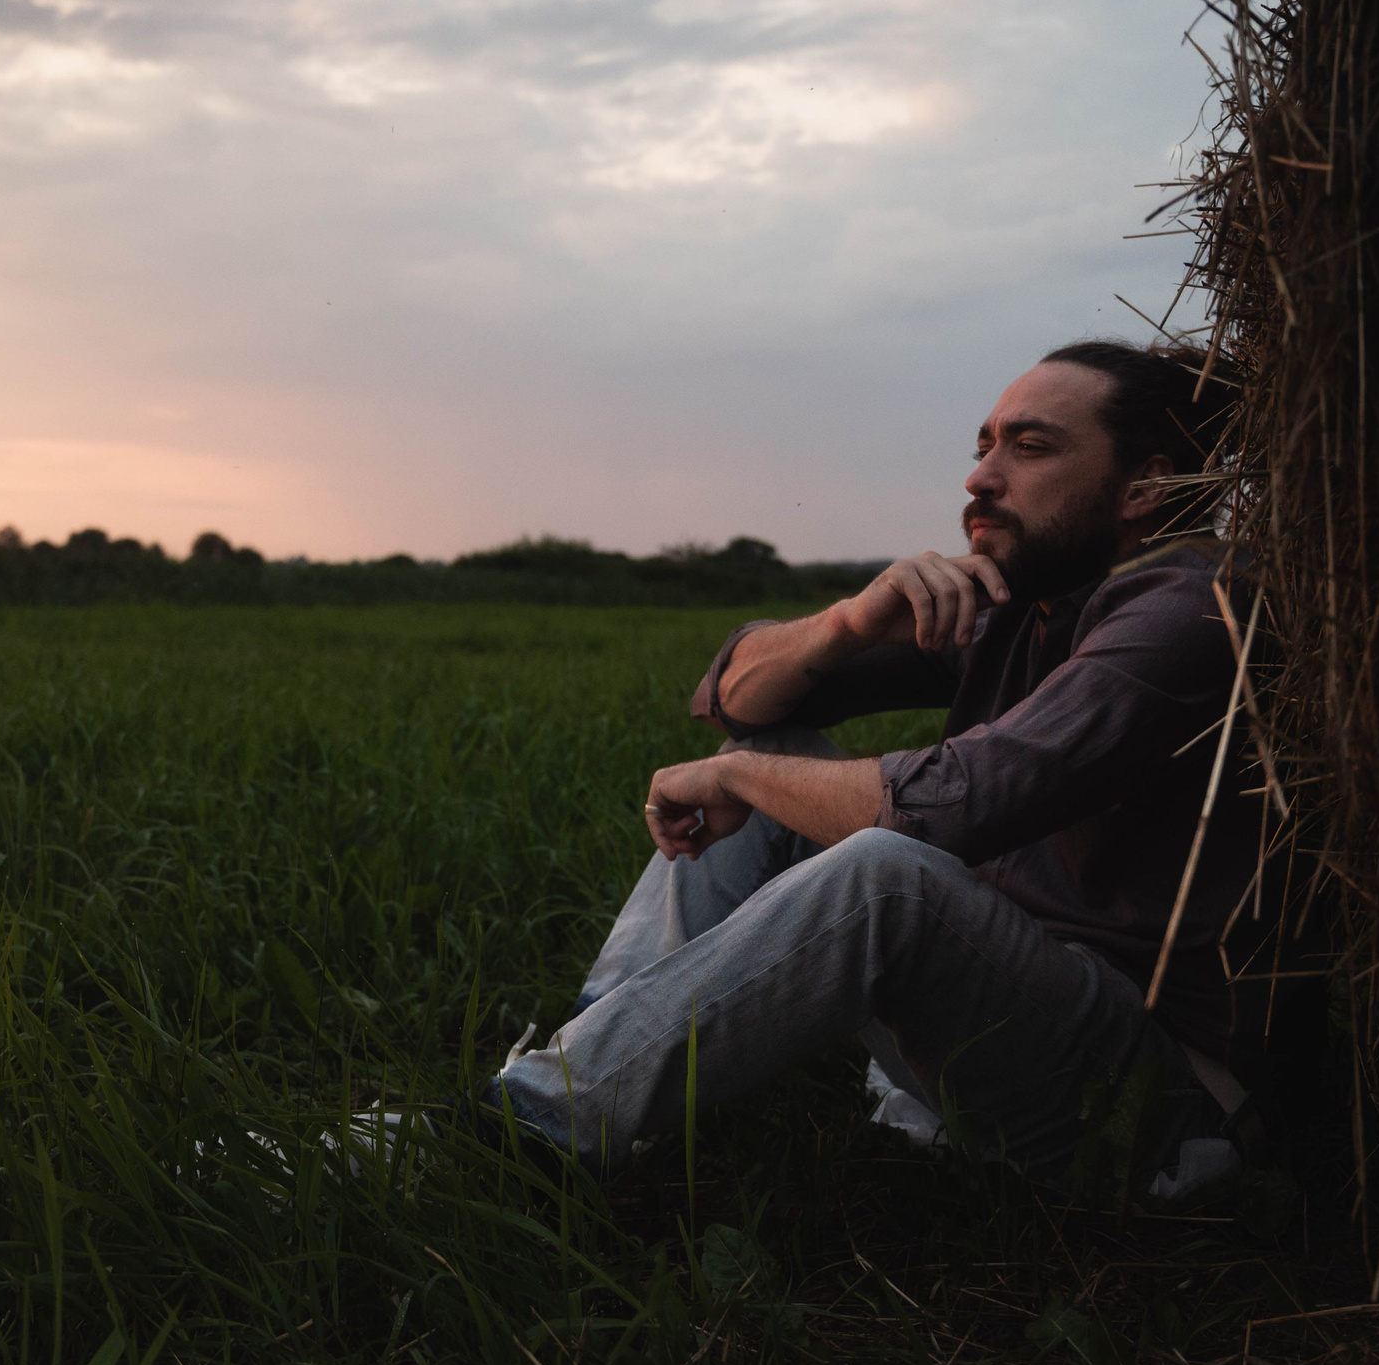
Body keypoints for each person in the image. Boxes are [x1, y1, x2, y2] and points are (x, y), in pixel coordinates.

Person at [485, 340, 1280, 1198]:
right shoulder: (1025, 601)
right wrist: (848, 624)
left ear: (1147, 487)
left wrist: (741, 778)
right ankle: (591, 1053)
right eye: (984, 445)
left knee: (883, 873)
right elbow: (734, 697)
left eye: (1032, 447)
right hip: (1012, 1027)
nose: (981, 477)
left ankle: (521, 1133)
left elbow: (948, 810)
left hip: (1157, 1103)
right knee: (778, 753)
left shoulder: (1197, 608)